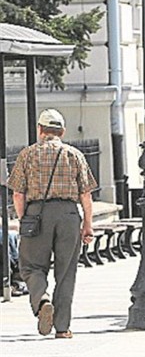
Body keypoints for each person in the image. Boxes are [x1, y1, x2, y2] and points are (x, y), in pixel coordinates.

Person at [7, 109, 97, 339]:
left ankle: (41, 300)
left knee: (31, 266)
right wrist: (87, 225)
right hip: (68, 214)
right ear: (62, 132)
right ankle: (63, 327)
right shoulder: (74, 154)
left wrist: (24, 218)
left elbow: (18, 194)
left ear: (40, 130)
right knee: (66, 272)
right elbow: (86, 196)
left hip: (37, 213)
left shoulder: (27, 155)